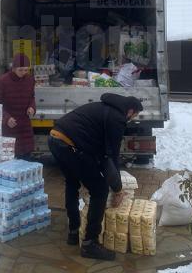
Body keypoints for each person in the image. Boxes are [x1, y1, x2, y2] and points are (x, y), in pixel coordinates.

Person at [48, 93, 143, 260]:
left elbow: (98, 150)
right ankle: (90, 244)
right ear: (130, 111)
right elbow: (110, 157)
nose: (132, 119)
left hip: (55, 138)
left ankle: (73, 232)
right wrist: (118, 188)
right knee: (99, 190)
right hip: (69, 145)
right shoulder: (117, 119)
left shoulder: (103, 108)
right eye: (134, 116)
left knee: (72, 182)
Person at [0, 53, 36, 159]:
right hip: (9, 127)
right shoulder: (1, 82)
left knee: (26, 160)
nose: (24, 73)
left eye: (26, 70)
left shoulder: (30, 80)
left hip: (25, 127)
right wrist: (6, 118)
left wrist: (32, 107)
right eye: (21, 70)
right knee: (10, 161)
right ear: (13, 68)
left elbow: (32, 97)